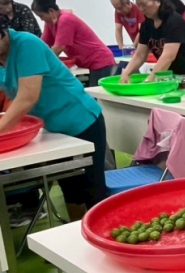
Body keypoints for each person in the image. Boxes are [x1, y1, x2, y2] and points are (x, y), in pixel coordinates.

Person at [0, 19, 108, 220]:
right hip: (52, 129)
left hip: (80, 120)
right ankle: (78, 233)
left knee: (92, 189)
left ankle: (102, 233)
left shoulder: (26, 44)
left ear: (3, 32)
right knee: (70, 189)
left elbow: (27, 96)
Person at [121, 0, 185, 84]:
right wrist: (126, 73)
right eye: (138, 6)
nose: (141, 9)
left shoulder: (174, 21)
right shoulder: (146, 24)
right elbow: (140, 55)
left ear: (157, 0)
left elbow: (168, 56)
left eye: (144, 4)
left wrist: (149, 80)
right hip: (176, 77)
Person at [31, 0, 116, 87]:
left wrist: (38, 66)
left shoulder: (65, 19)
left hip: (100, 61)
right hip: (86, 64)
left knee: (97, 98)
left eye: (41, 16)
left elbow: (58, 48)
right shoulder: (50, 23)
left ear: (50, 11)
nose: (42, 19)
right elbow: (43, 45)